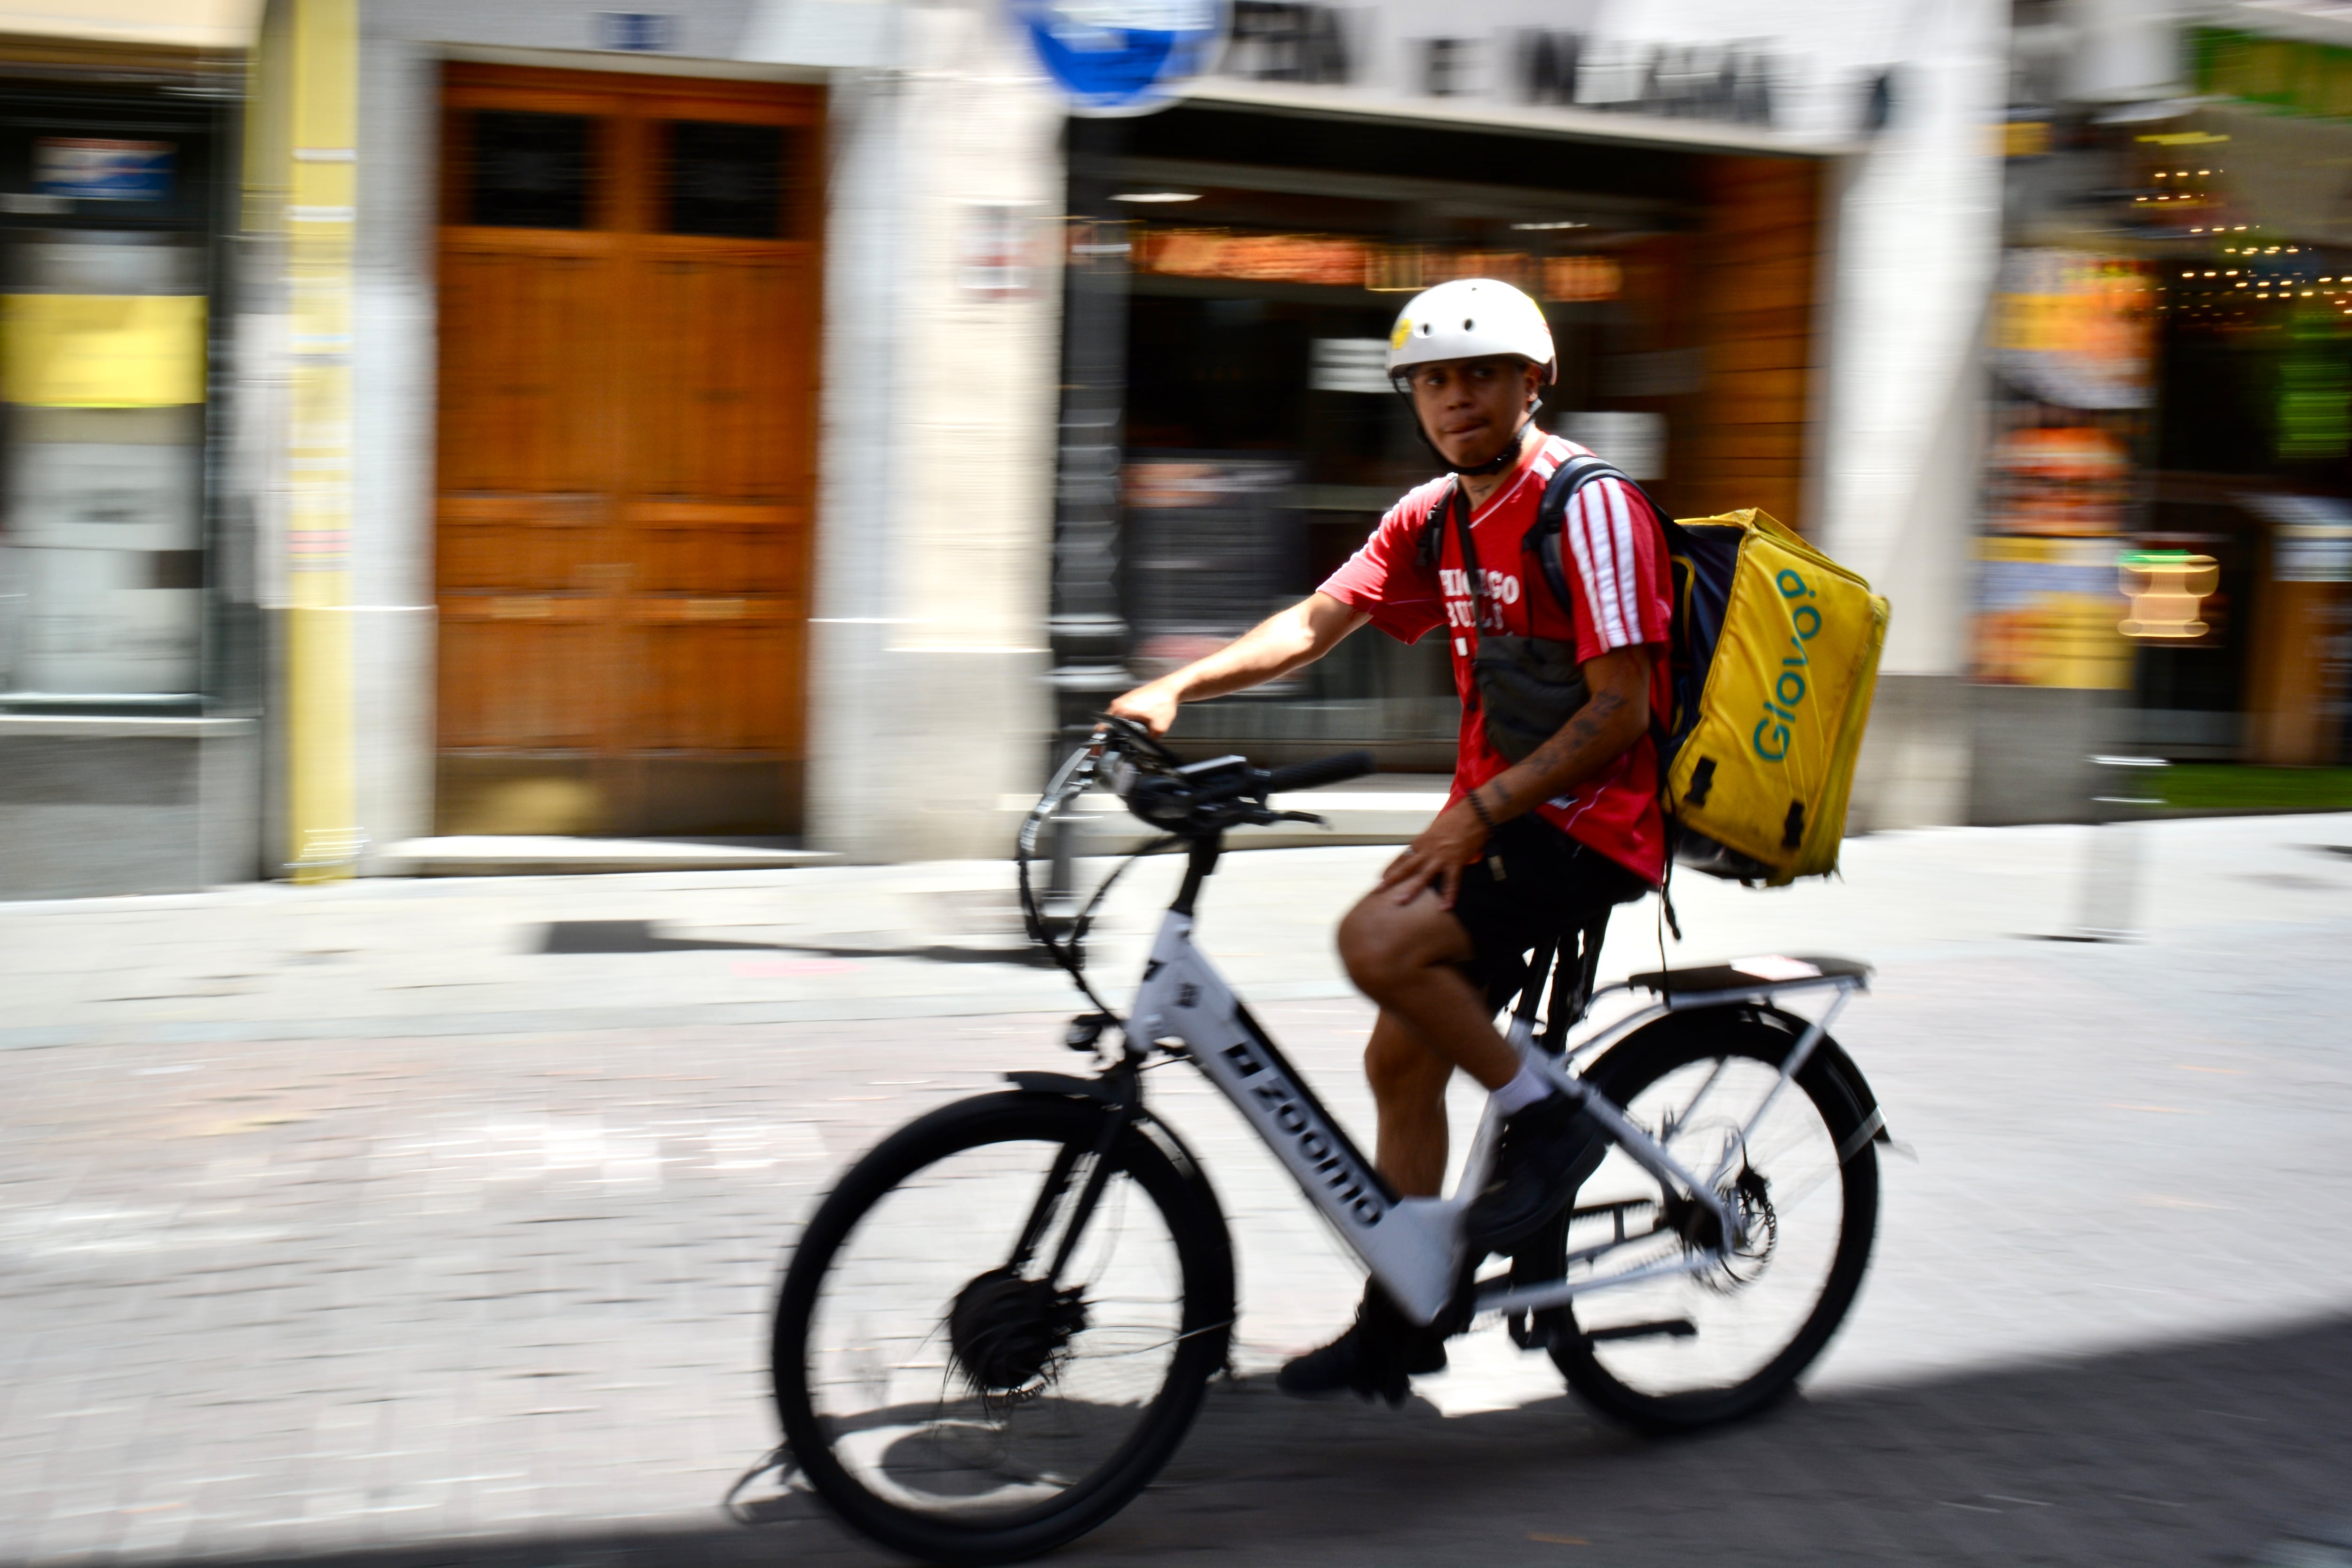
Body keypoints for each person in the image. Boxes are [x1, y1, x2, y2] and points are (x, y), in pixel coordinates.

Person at [1107, 277, 1674, 1405]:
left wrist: (1479, 809)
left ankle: (1550, 1123)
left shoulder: (1591, 506)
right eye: (1433, 379)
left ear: (1532, 381)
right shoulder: (1437, 514)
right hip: (1500, 814)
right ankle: (1405, 1316)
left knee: (1377, 941)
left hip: (1586, 820)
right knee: (1397, 1056)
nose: (1456, 397)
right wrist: (1177, 687)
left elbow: (1623, 710)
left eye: (1480, 374)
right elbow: (1318, 621)